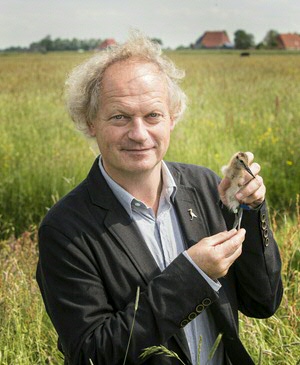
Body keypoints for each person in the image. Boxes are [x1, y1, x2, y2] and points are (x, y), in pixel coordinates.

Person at [36, 33, 283, 365]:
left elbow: (262, 303)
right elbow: (92, 353)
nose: (139, 134)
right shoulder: (65, 229)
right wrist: (193, 276)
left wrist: (251, 209)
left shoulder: (206, 186)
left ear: (173, 117)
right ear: (90, 121)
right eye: (119, 117)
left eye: (152, 115)